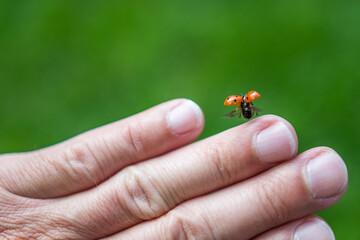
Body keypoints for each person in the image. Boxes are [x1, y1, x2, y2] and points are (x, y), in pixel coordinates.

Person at [0, 99, 347, 239]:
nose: (245, 107)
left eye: (246, 107)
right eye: (245, 107)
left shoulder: (244, 107)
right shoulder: (244, 107)